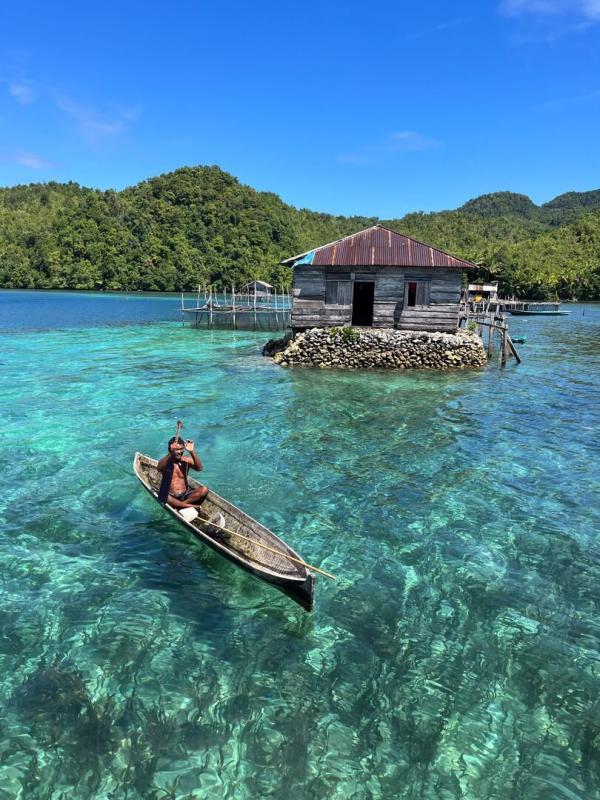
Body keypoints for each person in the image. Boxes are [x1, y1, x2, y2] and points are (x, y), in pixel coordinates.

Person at [157, 436, 208, 510]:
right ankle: (188, 506)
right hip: (171, 496)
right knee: (164, 497)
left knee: (204, 490)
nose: (179, 452)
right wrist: (170, 453)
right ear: (170, 449)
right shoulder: (165, 462)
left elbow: (200, 468)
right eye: (176, 449)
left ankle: (180, 506)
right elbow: (159, 468)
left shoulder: (186, 460)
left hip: (185, 495)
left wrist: (191, 451)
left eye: (181, 449)